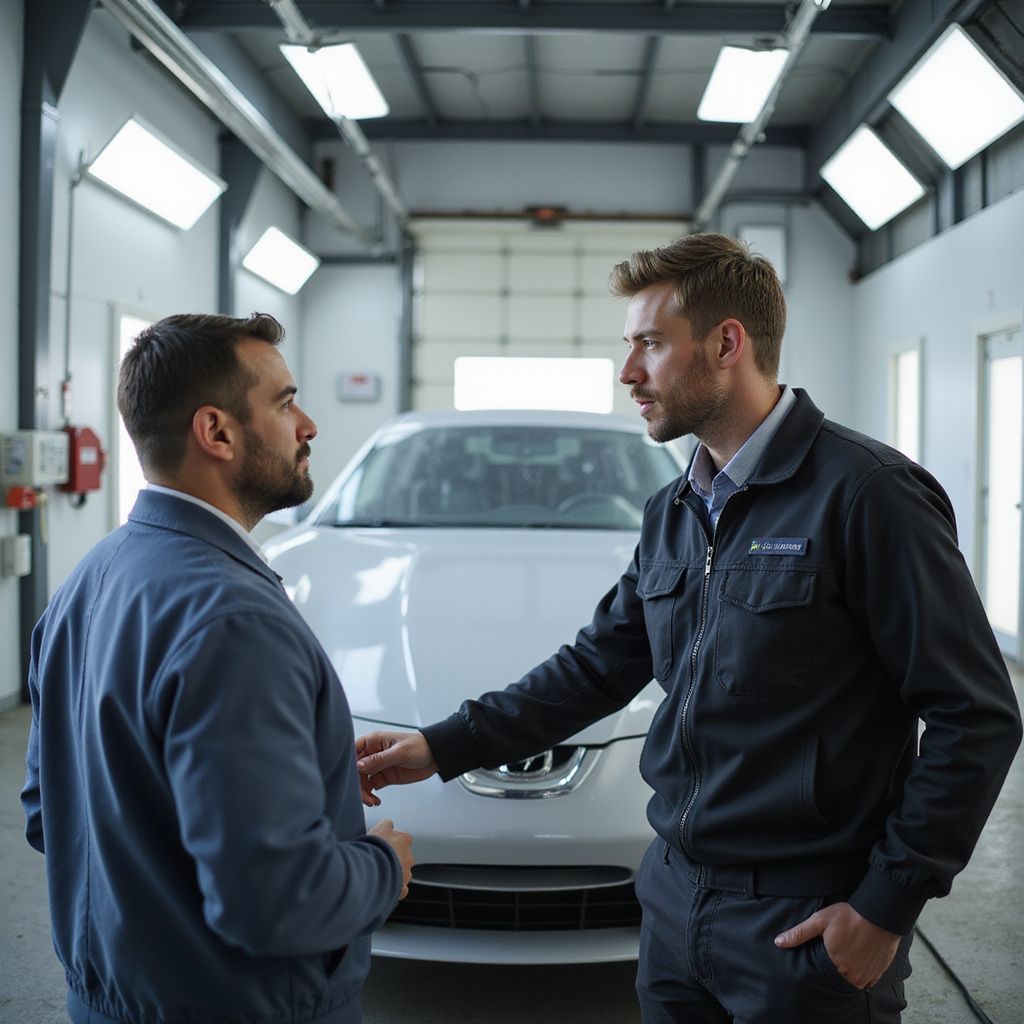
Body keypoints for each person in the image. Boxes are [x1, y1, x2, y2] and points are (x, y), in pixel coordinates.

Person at [354, 234, 1022, 1023]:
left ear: (727, 343)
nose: (627, 372)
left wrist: (884, 906)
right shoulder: (673, 511)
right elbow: (597, 666)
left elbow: (973, 715)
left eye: (648, 344)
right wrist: (441, 746)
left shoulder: (866, 495)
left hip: (802, 919)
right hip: (672, 900)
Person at [21, 312, 413, 1024]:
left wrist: (299, 776)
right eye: (286, 401)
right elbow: (275, 904)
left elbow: (52, 812)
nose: (310, 425)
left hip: (115, 996)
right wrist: (384, 866)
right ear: (218, 432)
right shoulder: (235, 623)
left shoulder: (92, 577)